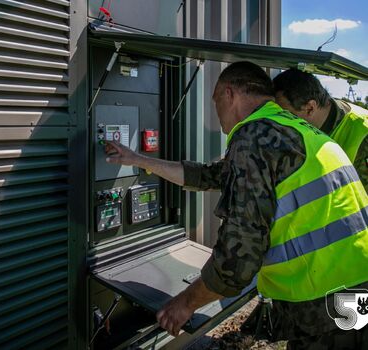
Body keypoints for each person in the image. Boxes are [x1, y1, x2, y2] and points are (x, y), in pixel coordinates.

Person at [105, 61, 368, 349]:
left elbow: (238, 256)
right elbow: (209, 175)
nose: (217, 115)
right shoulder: (290, 129)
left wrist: (185, 303)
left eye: (216, 102)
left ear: (229, 94)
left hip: (324, 303)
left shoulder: (253, 136)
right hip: (355, 287)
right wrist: (138, 159)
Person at [273, 68, 368, 192]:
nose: (277, 122)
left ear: (310, 108)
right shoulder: (309, 129)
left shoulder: (363, 130)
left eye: (285, 115)